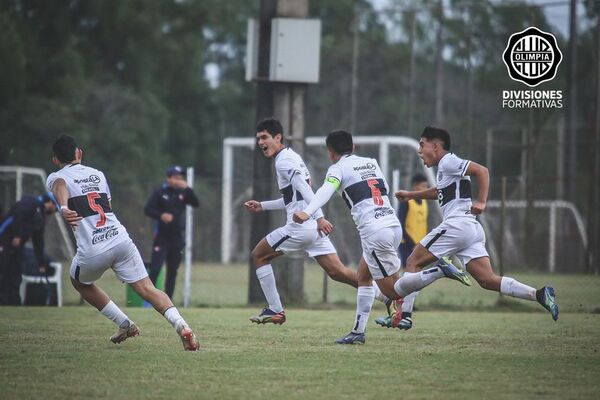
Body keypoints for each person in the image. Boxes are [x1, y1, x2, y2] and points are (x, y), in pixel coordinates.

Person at [293, 130, 471, 344]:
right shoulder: (370, 162)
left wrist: (307, 212)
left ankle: (438, 270)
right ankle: (358, 332)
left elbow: (325, 190)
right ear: (354, 147)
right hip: (391, 224)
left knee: (393, 292)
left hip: (374, 232)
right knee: (363, 277)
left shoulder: (337, 168)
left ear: (331, 153)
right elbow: (382, 188)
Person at [379, 126, 559, 330]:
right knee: (487, 280)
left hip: (457, 225)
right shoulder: (445, 169)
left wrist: (482, 202)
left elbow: (481, 171)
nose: (419, 151)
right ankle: (539, 294)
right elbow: (439, 191)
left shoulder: (448, 161)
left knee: (412, 261)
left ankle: (404, 316)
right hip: (471, 229)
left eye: (422, 145)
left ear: (436, 146)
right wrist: (412, 195)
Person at [47, 134, 199, 350]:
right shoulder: (98, 175)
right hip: (120, 239)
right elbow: (105, 204)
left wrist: (63, 207)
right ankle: (182, 325)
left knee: (79, 282)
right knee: (148, 288)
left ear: (55, 160)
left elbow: (60, 184)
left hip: (93, 248)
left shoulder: (56, 176)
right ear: (79, 153)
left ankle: (124, 323)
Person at [244, 118, 391, 326]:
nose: (260, 142)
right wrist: (263, 205)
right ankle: (388, 297)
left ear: (278, 138)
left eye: (265, 137)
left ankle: (275, 309)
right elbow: (294, 199)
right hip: (311, 227)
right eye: (258, 138)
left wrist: (320, 218)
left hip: (300, 227)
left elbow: (306, 192)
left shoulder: (283, 160)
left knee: (259, 255)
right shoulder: (292, 157)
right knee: (338, 272)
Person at [374, 173, 429, 330]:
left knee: (413, 277)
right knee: (408, 276)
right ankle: (402, 312)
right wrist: (412, 243)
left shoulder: (424, 203)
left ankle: (404, 310)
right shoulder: (407, 203)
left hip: (421, 245)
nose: (425, 189)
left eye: (426, 187)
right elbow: (401, 224)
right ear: (415, 186)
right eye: (423, 186)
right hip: (408, 244)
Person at [144, 166, 199, 299]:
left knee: (172, 271)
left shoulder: (183, 193)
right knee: (156, 268)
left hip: (177, 238)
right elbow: (148, 209)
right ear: (168, 178)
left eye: (180, 178)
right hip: (162, 238)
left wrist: (187, 188)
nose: (179, 180)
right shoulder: (160, 192)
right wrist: (161, 215)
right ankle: (148, 299)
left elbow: (196, 203)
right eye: (176, 177)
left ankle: (168, 301)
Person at [0, 193, 58, 305]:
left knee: (15, 272)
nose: (55, 211)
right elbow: (18, 215)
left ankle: (11, 302)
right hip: (5, 240)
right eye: (55, 208)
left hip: (17, 246)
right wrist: (17, 234)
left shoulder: (40, 217)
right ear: (50, 202)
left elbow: (38, 241)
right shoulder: (31, 202)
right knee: (3, 269)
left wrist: (41, 263)